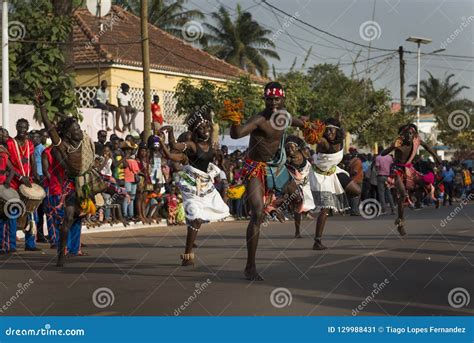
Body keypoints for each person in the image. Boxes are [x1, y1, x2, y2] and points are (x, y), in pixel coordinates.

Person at [223, 82, 314, 280]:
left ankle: (274, 206)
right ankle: (250, 267)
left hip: (277, 167)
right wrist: (234, 118)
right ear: (264, 99)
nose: (273, 102)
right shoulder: (259, 120)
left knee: (299, 199)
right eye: (269, 99)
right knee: (256, 213)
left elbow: (299, 122)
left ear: (283, 100)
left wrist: (309, 125)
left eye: (277, 99)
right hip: (256, 168)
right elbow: (236, 134)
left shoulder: (285, 117)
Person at [35, 89, 127, 266]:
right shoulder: (63, 145)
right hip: (73, 184)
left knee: (107, 188)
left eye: (78, 127)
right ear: (68, 134)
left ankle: (121, 194)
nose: (79, 130)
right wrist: (42, 107)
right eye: (75, 129)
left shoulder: (84, 140)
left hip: (89, 176)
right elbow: (49, 127)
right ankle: (61, 255)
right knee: (67, 219)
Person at [158, 108, 230, 267]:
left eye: (207, 127)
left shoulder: (210, 144)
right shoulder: (191, 145)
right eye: (202, 128)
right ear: (196, 130)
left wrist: (220, 159)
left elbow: (214, 158)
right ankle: (188, 254)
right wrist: (168, 134)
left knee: (197, 221)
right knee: (195, 218)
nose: (206, 130)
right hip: (190, 186)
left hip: (206, 187)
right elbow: (173, 148)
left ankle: (187, 253)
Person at [310, 118, 361, 250]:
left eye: (331, 130)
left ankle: (338, 199)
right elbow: (316, 138)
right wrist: (308, 126)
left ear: (338, 131)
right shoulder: (324, 143)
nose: (328, 133)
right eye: (325, 130)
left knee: (356, 191)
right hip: (321, 176)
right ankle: (317, 241)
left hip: (334, 171)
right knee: (325, 209)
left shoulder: (341, 141)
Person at [381, 124, 441, 235]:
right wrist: (392, 147)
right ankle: (400, 221)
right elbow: (383, 153)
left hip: (409, 169)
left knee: (426, 182)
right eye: (407, 134)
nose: (409, 136)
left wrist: (437, 159)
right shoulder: (398, 143)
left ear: (414, 135)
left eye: (411, 133)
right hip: (397, 170)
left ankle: (420, 198)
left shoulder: (416, 141)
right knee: (403, 195)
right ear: (402, 136)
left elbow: (427, 147)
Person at [6, 119, 40, 252]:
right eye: (20, 127)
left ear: (27, 128)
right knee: (13, 213)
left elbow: (32, 162)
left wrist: (35, 176)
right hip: (15, 183)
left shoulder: (29, 143)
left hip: (28, 182)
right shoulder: (10, 143)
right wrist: (20, 177)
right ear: (16, 127)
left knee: (31, 213)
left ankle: (30, 244)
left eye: (24, 127)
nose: (22, 129)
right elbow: (8, 166)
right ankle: (12, 245)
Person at [285, 135, 315, 238]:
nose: (289, 150)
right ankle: (297, 231)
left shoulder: (304, 152)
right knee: (298, 203)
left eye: (292, 147)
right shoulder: (287, 159)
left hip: (307, 178)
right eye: (287, 148)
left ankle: (305, 210)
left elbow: (311, 160)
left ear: (297, 147)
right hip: (294, 181)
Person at [0, 127, 16, 254]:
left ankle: (9, 245)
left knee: (6, 216)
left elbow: (11, 170)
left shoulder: (4, 152)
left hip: (3, 187)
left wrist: (7, 181)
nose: (5, 137)